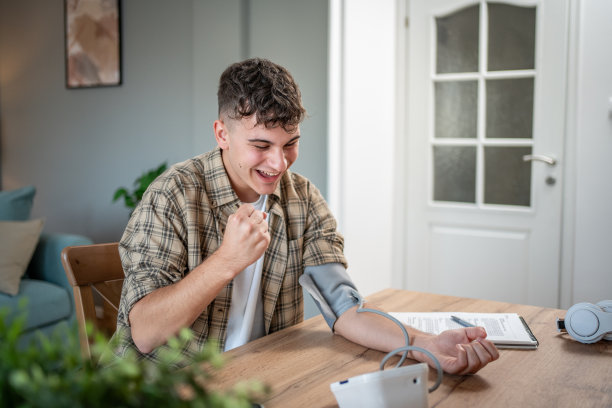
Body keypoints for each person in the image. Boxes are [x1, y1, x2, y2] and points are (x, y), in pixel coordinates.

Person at [111, 58, 499, 375]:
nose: (279, 163)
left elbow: (345, 310)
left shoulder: (303, 199)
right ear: (222, 134)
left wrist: (423, 344)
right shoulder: (173, 195)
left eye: (290, 144)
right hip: (157, 387)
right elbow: (145, 333)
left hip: (255, 380)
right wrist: (227, 261)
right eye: (261, 145)